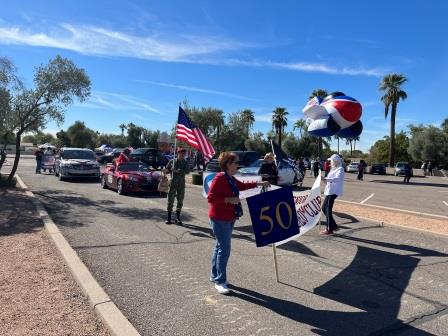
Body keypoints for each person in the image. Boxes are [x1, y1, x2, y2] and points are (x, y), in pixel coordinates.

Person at [207, 152, 269, 295]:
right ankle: (220, 281)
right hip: (220, 218)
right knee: (224, 249)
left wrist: (259, 183)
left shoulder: (229, 178)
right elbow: (211, 198)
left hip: (229, 217)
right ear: (228, 164)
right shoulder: (220, 178)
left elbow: (241, 185)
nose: (238, 164)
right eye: (235, 162)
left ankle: (214, 275)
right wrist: (228, 200)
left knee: (219, 247)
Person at [320, 154, 345, 235]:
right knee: (324, 208)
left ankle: (329, 229)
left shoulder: (340, 169)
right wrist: (323, 180)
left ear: (335, 161)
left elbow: (337, 179)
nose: (330, 162)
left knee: (328, 210)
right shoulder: (333, 169)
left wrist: (326, 179)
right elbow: (329, 180)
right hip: (329, 191)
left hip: (333, 192)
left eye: (331, 160)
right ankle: (334, 226)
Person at [165, 148, 190, 225]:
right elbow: (166, 170)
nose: (183, 155)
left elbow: (188, 171)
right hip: (173, 184)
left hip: (181, 184)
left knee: (180, 201)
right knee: (170, 200)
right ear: (178, 153)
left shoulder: (185, 162)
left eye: (184, 154)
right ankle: (169, 218)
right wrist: (170, 170)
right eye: (181, 154)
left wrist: (179, 171)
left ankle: (177, 218)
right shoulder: (172, 161)